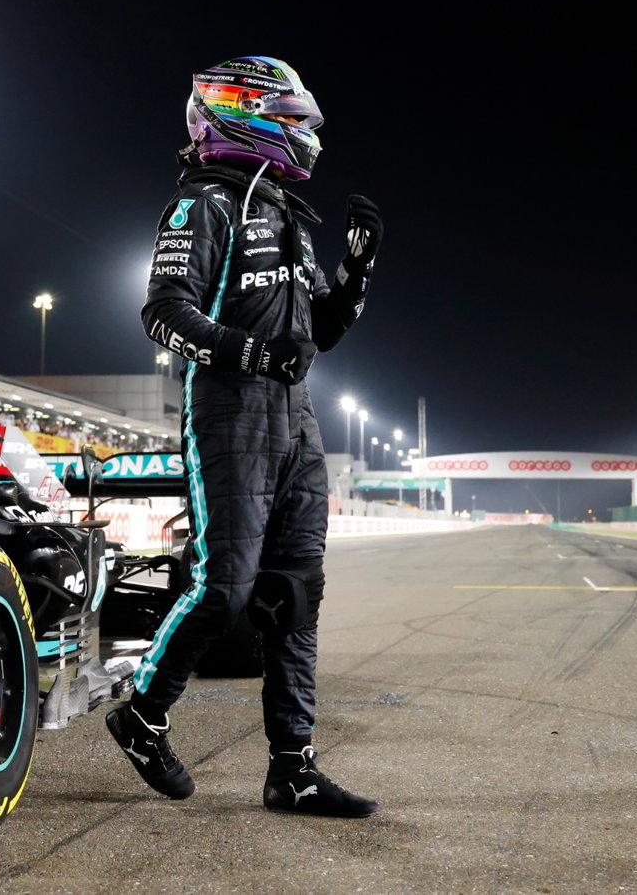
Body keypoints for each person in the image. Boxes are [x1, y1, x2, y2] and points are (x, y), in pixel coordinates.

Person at [106, 56, 383, 817]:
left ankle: (292, 769)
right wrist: (254, 354)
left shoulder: (290, 220)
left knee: (296, 595)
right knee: (223, 586)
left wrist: (355, 274)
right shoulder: (201, 205)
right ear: (244, 112)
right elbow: (162, 311)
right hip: (229, 413)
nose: (303, 137)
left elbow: (320, 332)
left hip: (297, 420)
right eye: (293, 120)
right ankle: (140, 713)